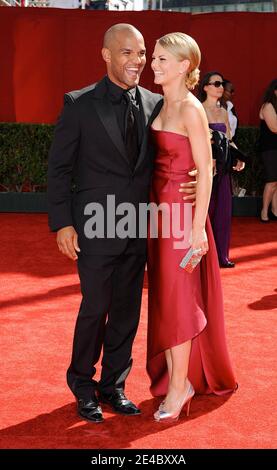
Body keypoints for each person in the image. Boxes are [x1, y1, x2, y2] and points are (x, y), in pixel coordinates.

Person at [47, 23, 195, 423]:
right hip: (94, 226)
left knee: (127, 312)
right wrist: (62, 223)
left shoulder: (154, 102)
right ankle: (82, 384)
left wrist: (201, 171)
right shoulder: (79, 104)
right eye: (128, 53)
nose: (138, 61)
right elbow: (59, 168)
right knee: (95, 307)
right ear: (107, 55)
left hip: (138, 225)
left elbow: (186, 134)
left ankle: (114, 386)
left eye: (142, 53)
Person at [147, 33, 237, 422]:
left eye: (163, 58)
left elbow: (207, 170)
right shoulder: (159, 104)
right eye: (154, 57)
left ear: (184, 66)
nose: (154, 63)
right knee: (166, 299)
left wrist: (199, 228)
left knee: (179, 301)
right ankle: (176, 379)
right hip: (158, 215)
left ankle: (181, 384)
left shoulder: (190, 109)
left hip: (182, 219)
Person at [198, 71, 245, 268]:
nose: (220, 87)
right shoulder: (198, 109)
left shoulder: (224, 111)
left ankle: (221, 256)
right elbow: (198, 141)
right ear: (206, 87)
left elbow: (229, 140)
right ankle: (204, 257)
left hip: (223, 168)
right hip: (206, 168)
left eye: (222, 84)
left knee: (223, 212)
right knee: (206, 211)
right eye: (216, 83)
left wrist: (238, 157)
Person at [258, 78, 277, 222]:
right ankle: (264, 211)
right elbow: (274, 128)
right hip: (270, 149)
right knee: (271, 181)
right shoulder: (268, 106)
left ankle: (275, 210)